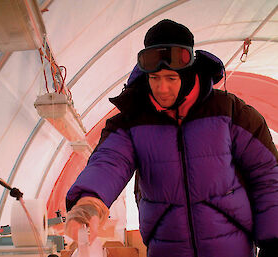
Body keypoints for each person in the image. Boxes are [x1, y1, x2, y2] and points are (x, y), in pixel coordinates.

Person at [65, 19, 278, 257]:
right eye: (154, 78)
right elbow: (109, 161)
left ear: (187, 75)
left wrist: (274, 239)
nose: (162, 88)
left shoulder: (230, 113)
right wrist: (90, 202)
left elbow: (267, 174)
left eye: (171, 79)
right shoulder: (133, 121)